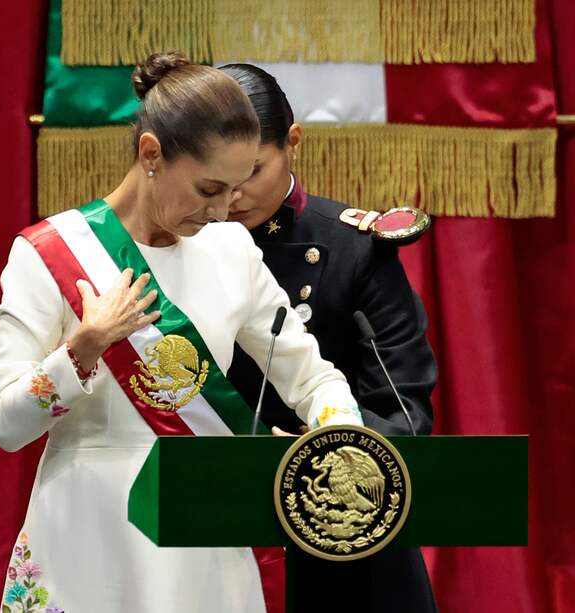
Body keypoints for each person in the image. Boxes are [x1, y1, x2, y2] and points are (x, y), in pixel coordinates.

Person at [0, 52, 363, 613]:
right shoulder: (48, 255)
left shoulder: (231, 250)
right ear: (151, 154)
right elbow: (5, 425)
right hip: (89, 534)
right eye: (208, 188)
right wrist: (84, 347)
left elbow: (312, 379)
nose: (221, 211)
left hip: (203, 536)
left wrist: (338, 441)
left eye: (234, 191)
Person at [221, 63, 439, 613]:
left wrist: (319, 456)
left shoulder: (354, 247)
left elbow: (402, 407)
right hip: (218, 520)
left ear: (292, 142)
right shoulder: (180, 250)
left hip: (342, 529)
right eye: (216, 175)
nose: (233, 194)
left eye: (251, 171)